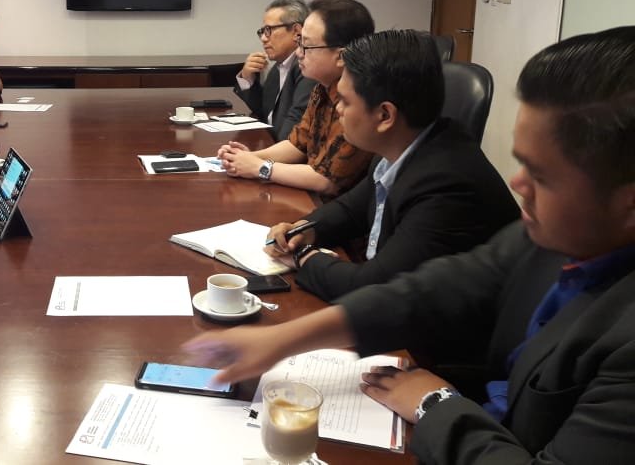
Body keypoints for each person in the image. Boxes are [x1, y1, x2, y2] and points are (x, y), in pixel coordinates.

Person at [185, 26, 635, 464]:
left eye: (542, 175)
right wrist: (282, 340)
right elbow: (433, 288)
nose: (518, 184)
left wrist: (436, 405)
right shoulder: (554, 231)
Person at [266, 29, 518, 301]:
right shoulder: (399, 147)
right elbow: (351, 210)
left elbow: (372, 288)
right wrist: (303, 229)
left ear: (385, 115)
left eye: (346, 101)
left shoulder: (447, 186)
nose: (338, 109)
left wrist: (303, 257)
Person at [218, 0, 376, 200]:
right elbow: (297, 144)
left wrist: (260, 167)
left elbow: (326, 180)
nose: (299, 53)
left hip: (339, 207)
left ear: (341, 56)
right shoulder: (322, 88)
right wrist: (246, 158)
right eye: (299, 43)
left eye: (307, 46)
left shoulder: (359, 99)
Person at [234, 0, 316, 141]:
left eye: (269, 30)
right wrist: (248, 77)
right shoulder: (279, 66)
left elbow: (294, 129)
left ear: (296, 32)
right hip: (271, 145)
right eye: (262, 31)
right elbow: (263, 110)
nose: (263, 39)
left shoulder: (306, 69)